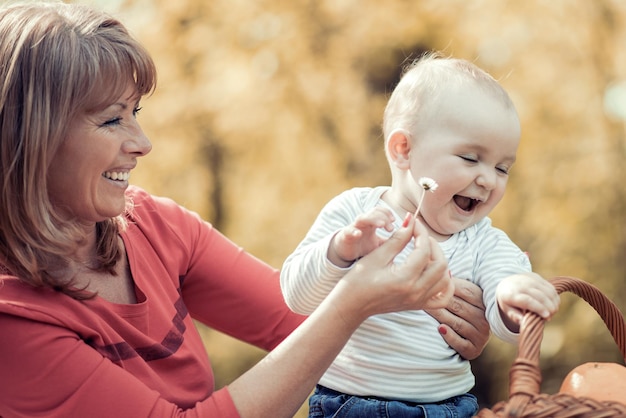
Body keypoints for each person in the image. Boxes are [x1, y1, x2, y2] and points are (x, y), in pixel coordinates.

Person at [0, 3, 491, 418]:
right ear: (32, 137)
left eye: (136, 113)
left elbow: (296, 321)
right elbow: (332, 322)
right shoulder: (13, 319)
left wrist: (435, 332)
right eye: (111, 119)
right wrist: (353, 303)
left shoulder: (152, 225)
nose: (142, 144)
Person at [280, 52, 561, 418]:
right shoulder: (354, 213)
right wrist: (339, 250)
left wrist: (510, 299)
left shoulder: (483, 242)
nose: (488, 179)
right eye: (471, 158)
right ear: (404, 150)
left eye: (502, 168)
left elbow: (507, 321)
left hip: (447, 408)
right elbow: (296, 297)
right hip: (349, 404)